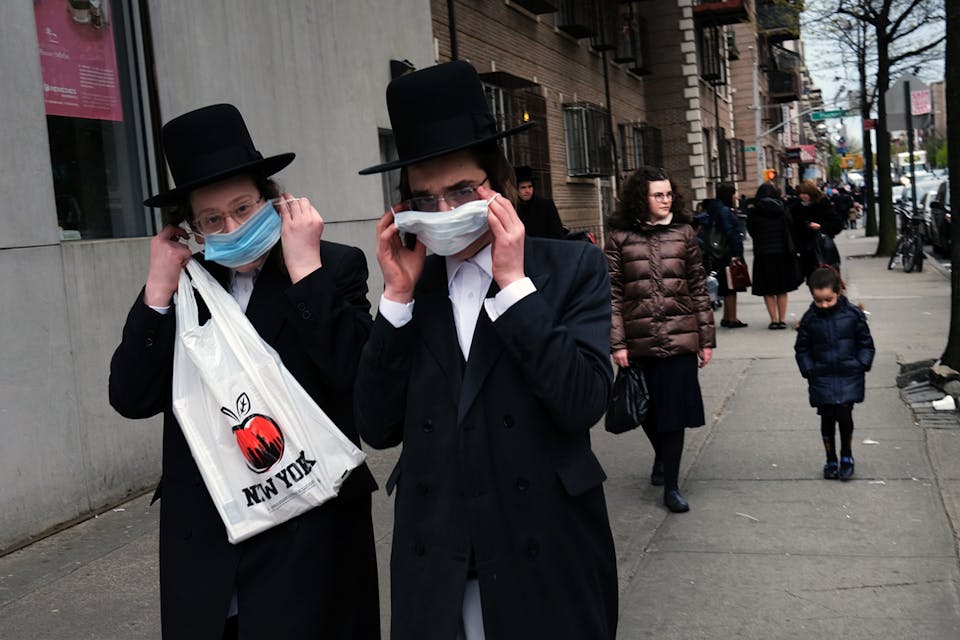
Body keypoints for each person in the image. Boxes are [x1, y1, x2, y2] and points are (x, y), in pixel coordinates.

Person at [355, 61, 617, 639]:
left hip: (545, 548)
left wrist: (515, 286)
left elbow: (581, 402)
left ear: (494, 186)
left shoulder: (571, 266)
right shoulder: (414, 284)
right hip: (438, 556)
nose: (445, 212)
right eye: (426, 197)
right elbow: (376, 424)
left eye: (461, 191)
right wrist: (395, 297)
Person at [108, 104, 380, 639]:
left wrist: (306, 275)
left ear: (274, 200)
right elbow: (131, 396)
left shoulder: (333, 265)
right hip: (209, 537)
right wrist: (157, 290)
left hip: (309, 535)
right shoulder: (184, 288)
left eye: (243, 207)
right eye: (212, 220)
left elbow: (358, 385)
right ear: (191, 228)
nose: (231, 227)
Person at [605, 165, 716, 513]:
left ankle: (671, 486)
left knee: (674, 413)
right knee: (647, 412)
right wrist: (618, 343)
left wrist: (706, 337)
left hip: (680, 338)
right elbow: (611, 294)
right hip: (639, 342)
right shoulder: (619, 240)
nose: (666, 200)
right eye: (658, 194)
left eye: (669, 194)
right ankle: (661, 455)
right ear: (642, 198)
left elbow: (698, 287)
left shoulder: (684, 234)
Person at [794, 266, 875, 480]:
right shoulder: (810, 319)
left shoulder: (852, 315)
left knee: (844, 415)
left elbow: (865, 343)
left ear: (838, 292)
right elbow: (802, 348)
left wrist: (861, 363)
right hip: (821, 376)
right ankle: (830, 458)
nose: (823, 305)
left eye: (828, 299)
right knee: (827, 418)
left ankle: (846, 456)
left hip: (849, 374)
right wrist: (809, 369)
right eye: (819, 300)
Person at [747, 182, 802, 330]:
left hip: (763, 253)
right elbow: (790, 226)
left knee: (768, 289)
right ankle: (782, 319)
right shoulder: (782, 209)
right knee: (781, 288)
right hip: (782, 252)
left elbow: (751, 231)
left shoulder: (754, 211)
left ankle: (773, 319)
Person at [701, 182, 747, 328]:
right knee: (731, 286)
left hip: (719, 252)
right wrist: (737, 253)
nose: (736, 196)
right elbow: (730, 233)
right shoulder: (725, 211)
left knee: (726, 285)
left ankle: (727, 317)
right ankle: (732, 318)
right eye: (734, 193)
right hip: (728, 252)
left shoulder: (715, 209)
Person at [791, 180, 843, 280]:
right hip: (806, 249)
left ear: (811, 193)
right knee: (812, 279)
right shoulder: (796, 208)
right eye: (801, 194)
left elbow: (836, 223)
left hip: (823, 247)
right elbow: (794, 227)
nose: (803, 196)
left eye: (805, 194)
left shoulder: (822, 203)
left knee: (828, 278)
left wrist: (821, 227)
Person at [514, 165, 565, 239]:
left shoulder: (546, 205)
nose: (527, 191)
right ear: (516, 189)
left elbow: (557, 234)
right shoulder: (513, 208)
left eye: (530, 186)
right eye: (523, 187)